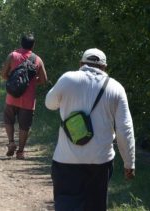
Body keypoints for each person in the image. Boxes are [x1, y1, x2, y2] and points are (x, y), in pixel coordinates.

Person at [45, 48, 135, 211]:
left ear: (81, 64)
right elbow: (125, 128)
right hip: (100, 162)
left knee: (66, 204)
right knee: (95, 206)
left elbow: (49, 104)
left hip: (66, 159)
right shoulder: (116, 88)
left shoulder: (68, 79)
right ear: (104, 67)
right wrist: (129, 163)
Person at [0, 33, 47, 159]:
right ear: (33, 45)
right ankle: (20, 152)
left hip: (12, 96)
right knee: (24, 125)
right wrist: (30, 82)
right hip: (28, 100)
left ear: (21, 43)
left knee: (8, 119)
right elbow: (43, 80)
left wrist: (12, 80)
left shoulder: (13, 55)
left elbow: (3, 74)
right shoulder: (37, 59)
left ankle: (11, 143)